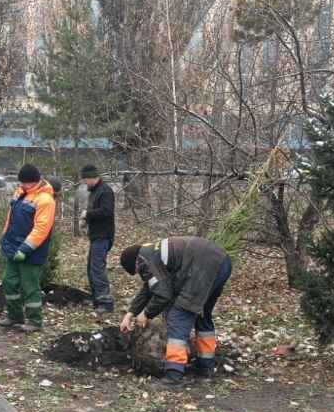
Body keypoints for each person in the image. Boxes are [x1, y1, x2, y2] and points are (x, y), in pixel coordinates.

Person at [119, 237, 232, 391]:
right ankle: (205, 366)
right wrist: (130, 315)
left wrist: (146, 314)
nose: (141, 274)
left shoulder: (145, 260)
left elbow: (162, 294)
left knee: (178, 317)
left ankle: (173, 377)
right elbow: (150, 287)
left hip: (203, 267)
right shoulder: (150, 252)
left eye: (138, 272)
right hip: (221, 261)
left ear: (136, 263)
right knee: (202, 315)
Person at [0, 163, 56, 333]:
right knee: (8, 282)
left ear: (35, 181)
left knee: (30, 287)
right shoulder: (20, 192)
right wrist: (4, 234)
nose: (22, 185)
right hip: (12, 248)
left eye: (25, 183)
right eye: (21, 182)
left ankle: (34, 320)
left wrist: (25, 249)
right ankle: (15, 315)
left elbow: (41, 228)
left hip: (31, 252)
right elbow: (11, 217)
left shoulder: (45, 200)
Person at [79, 164, 115, 312]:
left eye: (85, 179)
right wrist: (86, 220)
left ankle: (106, 303)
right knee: (91, 268)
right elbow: (96, 211)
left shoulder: (105, 191)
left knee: (97, 268)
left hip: (103, 236)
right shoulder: (95, 191)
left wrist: (87, 214)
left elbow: (107, 210)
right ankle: (97, 299)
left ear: (92, 177)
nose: (84, 183)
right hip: (96, 236)